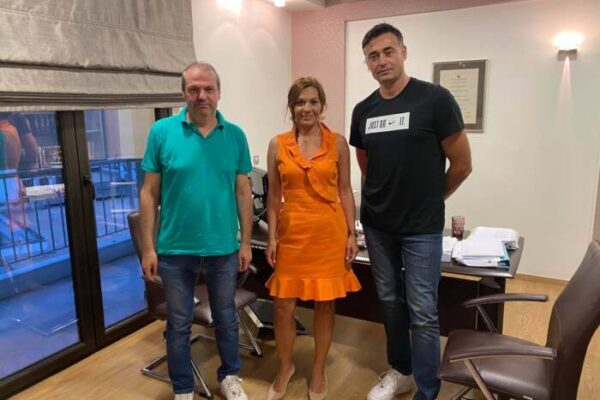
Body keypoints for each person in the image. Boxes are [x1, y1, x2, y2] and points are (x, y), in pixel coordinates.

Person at [349, 24, 472, 400]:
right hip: (377, 227)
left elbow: (462, 164)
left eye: (388, 51)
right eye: (373, 56)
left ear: (403, 53)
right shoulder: (363, 110)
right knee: (389, 301)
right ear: (367, 64)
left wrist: (432, 199)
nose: (381, 61)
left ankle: (428, 389)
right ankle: (401, 371)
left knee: (422, 311)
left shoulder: (435, 100)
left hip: (421, 229)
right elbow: (367, 167)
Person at [139, 62, 253, 400]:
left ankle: (229, 376)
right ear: (184, 93)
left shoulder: (235, 135)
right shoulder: (161, 132)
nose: (202, 95)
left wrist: (246, 242)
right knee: (178, 324)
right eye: (194, 89)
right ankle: (183, 388)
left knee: (226, 317)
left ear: (218, 93)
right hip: (175, 250)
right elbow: (149, 193)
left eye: (208, 89)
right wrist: (148, 248)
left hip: (222, 247)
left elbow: (243, 192)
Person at [265, 77, 362, 400]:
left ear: (322, 106)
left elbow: (345, 190)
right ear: (291, 106)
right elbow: (274, 196)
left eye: (313, 101)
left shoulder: (338, 143)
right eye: (300, 102)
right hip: (292, 232)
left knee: (325, 304)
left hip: (327, 233)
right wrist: (272, 237)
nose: (306, 108)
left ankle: (319, 369)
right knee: (283, 306)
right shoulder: (277, 145)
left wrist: (351, 232)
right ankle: (285, 367)